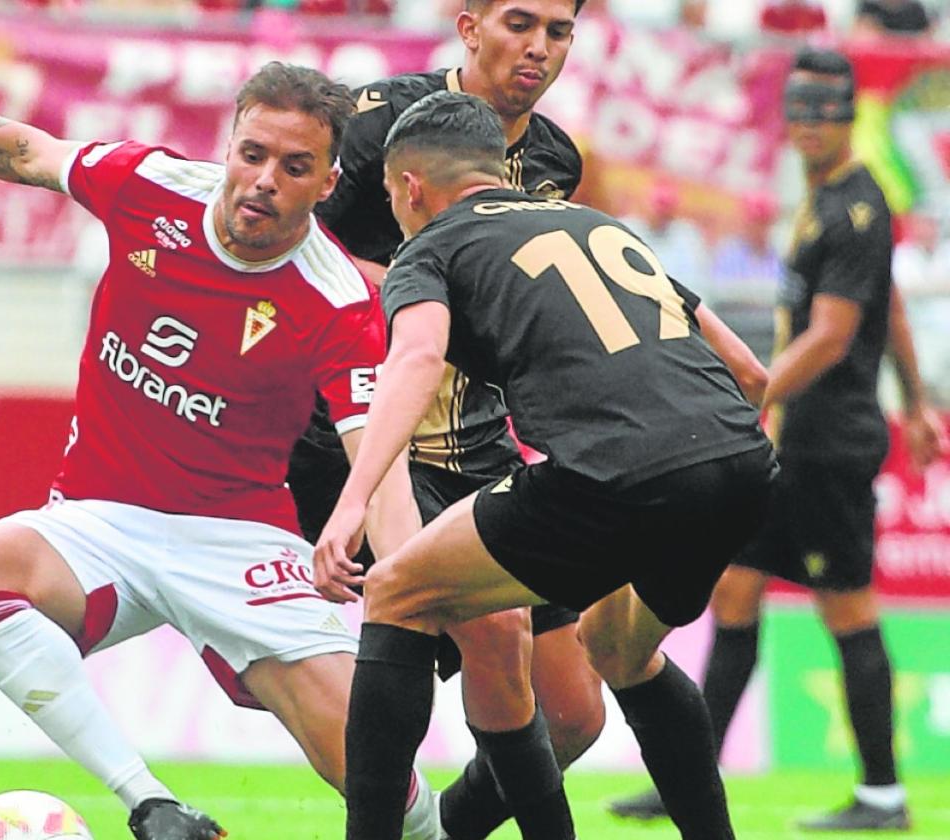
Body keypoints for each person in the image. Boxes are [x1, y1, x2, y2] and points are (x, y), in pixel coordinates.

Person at [0, 62, 445, 840]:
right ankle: (150, 803)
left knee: (369, 761)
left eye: (294, 167)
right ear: (228, 147)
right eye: (252, 153)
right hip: (102, 517)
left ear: (327, 182)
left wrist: (406, 590)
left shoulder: (336, 299)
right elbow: (23, 150)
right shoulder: (151, 185)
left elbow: (380, 456)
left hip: (239, 538)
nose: (264, 180)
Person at [315, 90, 777, 840]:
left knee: (398, 589)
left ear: (408, 187)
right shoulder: (599, 225)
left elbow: (419, 357)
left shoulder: (428, 247)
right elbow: (751, 373)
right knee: (617, 648)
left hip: (615, 473)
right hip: (739, 464)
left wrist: (351, 500)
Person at [291, 2, 608, 836]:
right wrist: (411, 289)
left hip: (482, 441)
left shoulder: (553, 157)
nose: (538, 47)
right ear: (468, 28)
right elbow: (297, 252)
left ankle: (448, 828)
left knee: (576, 714)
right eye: (518, 23)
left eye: (559, 31)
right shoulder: (375, 125)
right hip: (373, 435)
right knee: (486, 633)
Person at [610, 47, 947, 831]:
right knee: (733, 591)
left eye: (824, 112)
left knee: (848, 609)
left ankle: (883, 795)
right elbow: (889, 305)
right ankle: (689, 781)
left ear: (849, 117)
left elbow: (832, 335)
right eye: (798, 111)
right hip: (796, 443)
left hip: (828, 446)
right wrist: (923, 400)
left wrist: (752, 392)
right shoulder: (826, 196)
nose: (808, 124)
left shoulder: (853, 207)